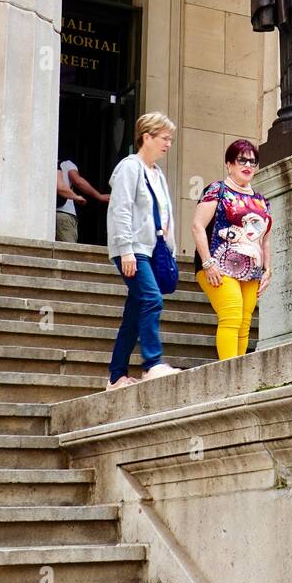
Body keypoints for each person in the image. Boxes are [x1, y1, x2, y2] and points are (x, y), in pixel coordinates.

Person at [105, 112, 181, 391]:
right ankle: (152, 363)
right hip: (133, 249)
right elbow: (120, 211)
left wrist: (169, 250)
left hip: (152, 249)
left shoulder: (158, 174)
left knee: (135, 311)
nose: (168, 144)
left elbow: (164, 216)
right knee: (151, 299)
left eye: (170, 139)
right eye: (164, 138)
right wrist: (125, 250)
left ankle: (116, 376)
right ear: (146, 137)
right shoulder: (130, 168)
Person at [192, 140, 273, 361]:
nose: (248, 165)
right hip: (217, 265)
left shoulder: (261, 200)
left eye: (253, 161)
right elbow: (198, 226)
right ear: (229, 164)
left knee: (245, 323)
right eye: (242, 160)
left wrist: (268, 269)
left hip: (252, 270)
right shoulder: (216, 190)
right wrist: (208, 263)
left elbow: (264, 239)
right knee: (231, 315)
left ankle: (238, 377)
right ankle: (228, 374)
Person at [56, 156, 110, 243]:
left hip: (47, 215)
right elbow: (78, 181)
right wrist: (99, 196)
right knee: (68, 253)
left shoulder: (48, 164)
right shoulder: (67, 164)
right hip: (64, 213)